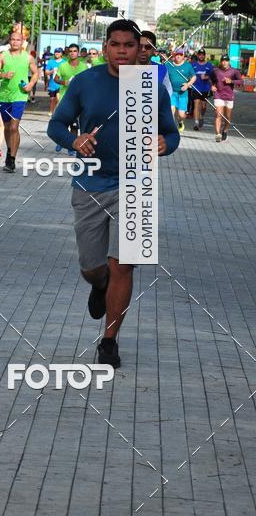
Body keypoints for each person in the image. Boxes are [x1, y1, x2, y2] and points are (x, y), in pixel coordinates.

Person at [47, 19, 179, 369]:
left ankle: (109, 340)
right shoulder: (84, 81)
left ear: (140, 49)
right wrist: (73, 140)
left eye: (129, 45)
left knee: (124, 264)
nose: (122, 50)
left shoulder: (150, 86)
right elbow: (55, 125)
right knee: (94, 268)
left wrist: (167, 143)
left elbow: (171, 133)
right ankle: (98, 284)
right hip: (90, 184)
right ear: (105, 48)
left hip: (137, 184)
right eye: (115, 44)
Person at [0, 30, 39, 173]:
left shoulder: (27, 57)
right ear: (9, 41)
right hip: (4, 96)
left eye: (18, 40)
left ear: (22, 42)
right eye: (12, 40)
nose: (15, 42)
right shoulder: (2, 56)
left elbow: (36, 73)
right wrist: (3, 75)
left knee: (14, 127)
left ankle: (12, 158)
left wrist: (30, 85)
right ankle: (9, 152)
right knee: (6, 128)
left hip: (20, 96)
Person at [210, 54, 243, 142]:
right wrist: (212, 86)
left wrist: (231, 81)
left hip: (229, 96)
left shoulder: (234, 71)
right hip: (218, 95)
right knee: (218, 114)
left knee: (227, 117)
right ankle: (217, 134)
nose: (224, 63)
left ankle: (225, 130)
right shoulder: (216, 71)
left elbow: (241, 81)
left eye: (226, 61)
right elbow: (211, 79)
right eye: (223, 61)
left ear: (229, 62)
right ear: (221, 62)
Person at [165, 47, 196, 132]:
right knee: (171, 110)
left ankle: (180, 122)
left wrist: (188, 84)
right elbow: (163, 75)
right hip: (172, 92)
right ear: (173, 55)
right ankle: (171, 128)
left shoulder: (187, 65)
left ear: (183, 56)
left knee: (181, 115)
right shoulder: (168, 65)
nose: (178, 56)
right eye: (176, 54)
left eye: (180, 55)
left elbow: (194, 77)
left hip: (183, 94)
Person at [138, 31, 173, 95]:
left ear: (154, 49)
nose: (143, 50)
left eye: (148, 47)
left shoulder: (162, 69)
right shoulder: (125, 68)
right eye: (139, 46)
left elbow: (168, 92)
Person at [191, 48, 214, 130]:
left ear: (204, 55)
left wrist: (207, 77)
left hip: (205, 88)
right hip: (196, 88)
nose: (201, 56)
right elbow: (189, 74)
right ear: (197, 55)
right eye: (199, 54)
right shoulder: (193, 65)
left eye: (202, 55)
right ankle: (196, 123)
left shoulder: (209, 65)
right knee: (196, 104)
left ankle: (201, 117)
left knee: (203, 106)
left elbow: (213, 76)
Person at [45, 48, 64, 115]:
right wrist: (52, 71)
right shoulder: (51, 62)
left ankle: (57, 113)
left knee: (58, 99)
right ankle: (51, 111)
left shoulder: (64, 62)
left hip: (61, 84)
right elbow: (46, 72)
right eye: (56, 52)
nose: (57, 53)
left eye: (59, 52)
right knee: (52, 100)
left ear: (61, 54)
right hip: (52, 84)